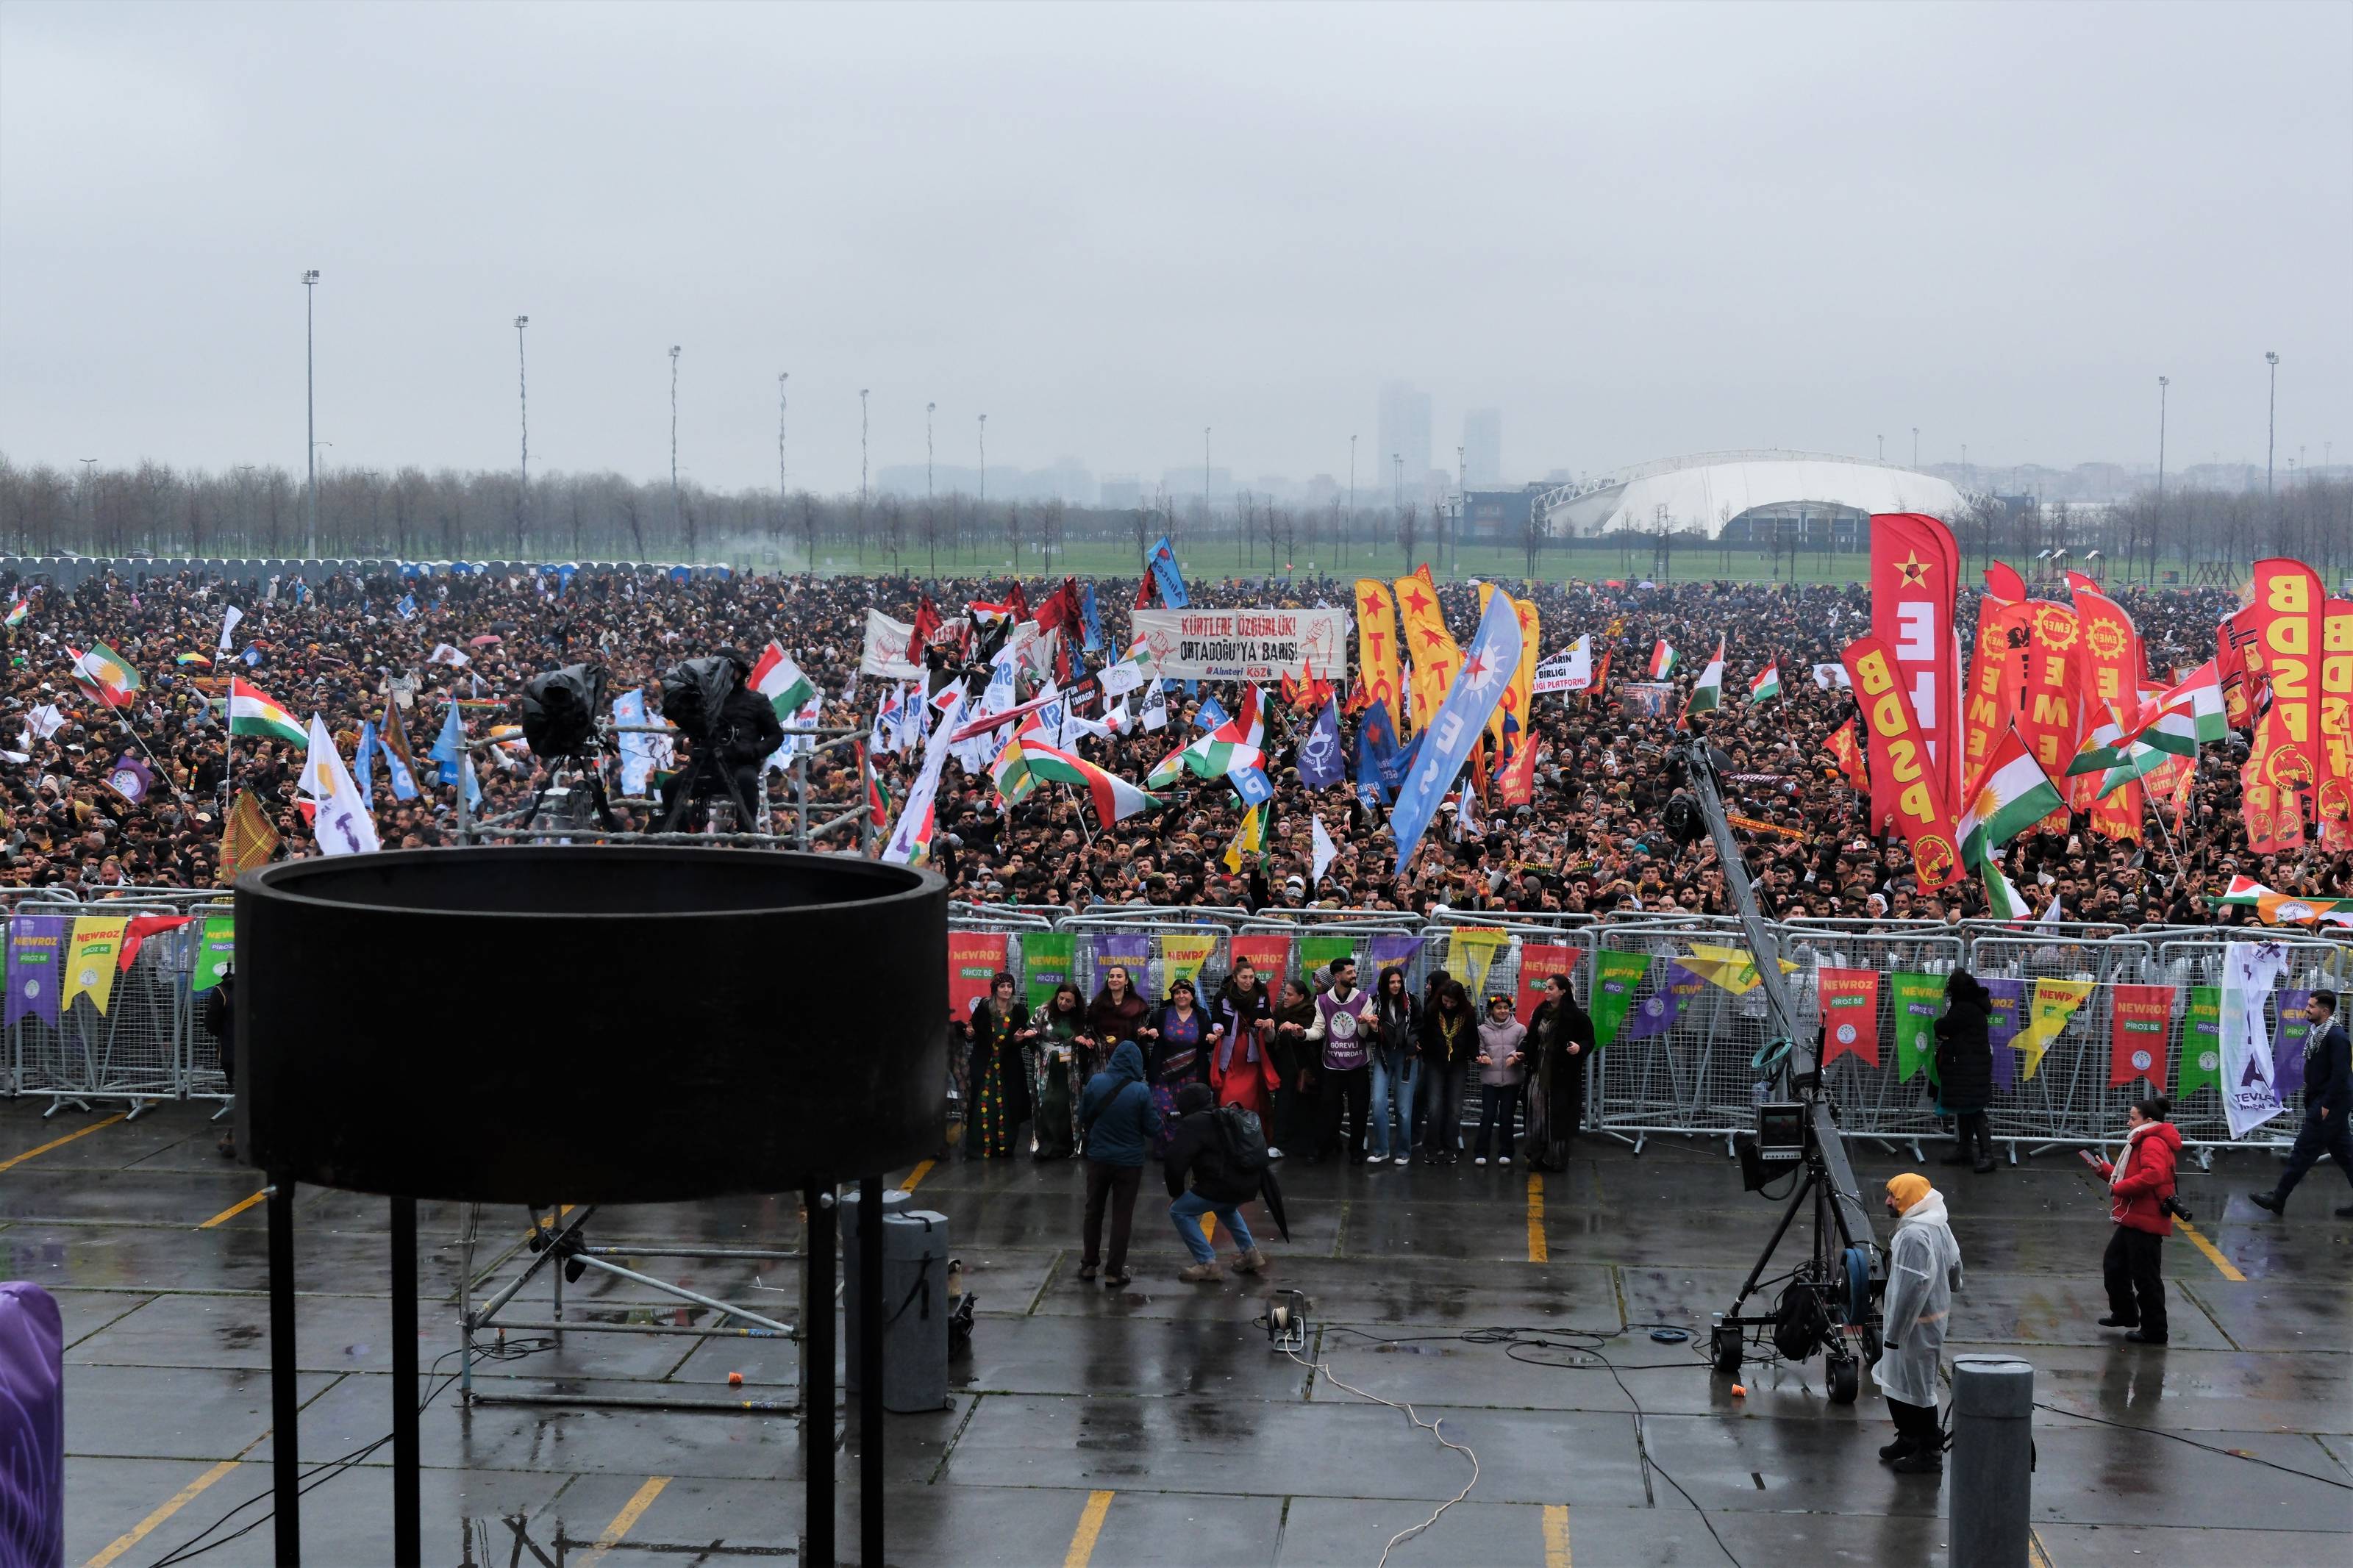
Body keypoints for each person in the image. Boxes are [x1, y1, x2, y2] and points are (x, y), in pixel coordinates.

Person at [1875, 1173, 1963, 1476]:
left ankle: (1929, 1453)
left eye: (1893, 1196)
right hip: (1929, 1319)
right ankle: (1909, 1438)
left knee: (1920, 1387)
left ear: (1909, 1200)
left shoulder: (1913, 1235)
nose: (1887, 1201)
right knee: (1898, 1381)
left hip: (1915, 1325)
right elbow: (1955, 1265)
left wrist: (1894, 1333)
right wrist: (1954, 1283)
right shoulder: (1937, 1222)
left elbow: (1910, 1287)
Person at [2085, 1095, 2181, 1345]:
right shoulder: (2144, 1141)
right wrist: (2105, 1171)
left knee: (2146, 1278)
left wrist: (2119, 1188)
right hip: (2135, 1218)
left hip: (2145, 1220)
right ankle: (2126, 1313)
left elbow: (2153, 1176)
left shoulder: (2152, 1143)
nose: (2128, 1123)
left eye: (2132, 1118)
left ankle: (2155, 1330)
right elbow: (2130, 1176)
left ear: (2148, 1121)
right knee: (2115, 1265)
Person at [2250, 987, 2353, 1218]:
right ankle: (2278, 1198)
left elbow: (2341, 1074)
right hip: (2324, 1101)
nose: (2306, 1009)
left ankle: (2278, 1197)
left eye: (2312, 1006)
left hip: (2330, 1104)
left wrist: (2325, 1104)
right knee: (2346, 1155)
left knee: (2303, 1151)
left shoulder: (2336, 1037)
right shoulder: (2320, 1032)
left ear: (2324, 1011)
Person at [1163, 1082, 1268, 1282]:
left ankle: (1207, 1264)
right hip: (1248, 1182)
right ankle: (1251, 1254)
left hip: (1221, 1185)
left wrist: (1176, 1193)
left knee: (1179, 1210)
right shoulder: (1224, 1115)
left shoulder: (1193, 1123)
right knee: (1226, 1208)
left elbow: (1175, 1162)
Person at [1076, 1040, 1160, 1288]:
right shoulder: (1141, 1091)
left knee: (1093, 1211)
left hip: (1099, 1158)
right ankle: (1114, 1271)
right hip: (1129, 1162)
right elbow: (1152, 1128)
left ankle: (1089, 1264)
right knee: (1122, 1216)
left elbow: (1083, 1115)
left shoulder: (1096, 1082)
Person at [1306, 955, 1377, 1163]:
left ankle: (1356, 1150)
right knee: (1328, 1109)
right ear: (1337, 977)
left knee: (1359, 1110)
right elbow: (1318, 1030)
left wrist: (1365, 1024)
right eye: (1349, 972)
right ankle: (1325, 1147)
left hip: (1358, 1064)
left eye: (1354, 972)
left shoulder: (1364, 999)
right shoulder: (1323, 1000)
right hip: (1332, 1064)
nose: (1354, 975)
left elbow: (1364, 1035)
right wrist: (1302, 1034)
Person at [1522, 973, 1593, 1170]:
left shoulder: (1576, 1016)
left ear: (1563, 991)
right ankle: (1536, 1155)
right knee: (1537, 1114)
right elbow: (1531, 1038)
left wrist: (1579, 1048)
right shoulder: (1540, 1012)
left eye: (1551, 988)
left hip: (1562, 1076)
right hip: (1538, 1072)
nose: (1546, 992)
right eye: (1546, 987)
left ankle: (1556, 1158)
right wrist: (1521, 1053)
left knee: (1558, 1116)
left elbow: (1589, 1040)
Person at [961, 972, 1034, 1159]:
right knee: (984, 1105)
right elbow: (974, 1033)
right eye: (1002, 987)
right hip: (985, 1065)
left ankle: (1004, 1148)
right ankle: (981, 1147)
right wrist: (969, 1033)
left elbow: (1023, 1037)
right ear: (995, 989)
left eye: (1009, 986)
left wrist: (1019, 1039)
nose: (1006, 990)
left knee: (1008, 1106)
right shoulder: (985, 1007)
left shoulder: (1019, 1010)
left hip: (1009, 1067)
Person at [1141, 977, 1213, 1157]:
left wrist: (1211, 1040)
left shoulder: (1202, 1015)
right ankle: (1166, 1149)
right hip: (1163, 1073)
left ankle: (1186, 1150)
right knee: (1162, 1110)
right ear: (1173, 996)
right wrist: (1150, 1034)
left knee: (1188, 1112)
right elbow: (1150, 1036)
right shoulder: (1161, 1014)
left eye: (1185, 992)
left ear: (1192, 996)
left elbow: (1207, 1044)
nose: (1181, 995)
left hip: (1192, 1073)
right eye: (1177, 992)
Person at [1935, 971, 1996, 1175]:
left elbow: (1944, 1025)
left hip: (1967, 1066)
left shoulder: (1963, 1008)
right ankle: (1966, 1150)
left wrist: (1938, 1026)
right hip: (1973, 1065)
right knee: (1968, 1108)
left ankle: (1985, 1155)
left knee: (1975, 1110)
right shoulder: (1975, 1005)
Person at [1210, 960, 1280, 1125]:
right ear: (1235, 978)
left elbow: (1268, 1017)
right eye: (1244, 977)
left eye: (1251, 977)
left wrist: (1267, 1023)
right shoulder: (1222, 996)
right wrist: (1217, 1029)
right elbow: (1216, 1019)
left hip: (1253, 1055)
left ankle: (1250, 1133)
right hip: (1230, 1054)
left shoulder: (1262, 995)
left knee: (1251, 1101)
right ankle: (1227, 1132)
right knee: (1227, 1097)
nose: (1248, 981)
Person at [1417, 981, 1477, 1164]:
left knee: (1455, 1108)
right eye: (1446, 1001)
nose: (1449, 1005)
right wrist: (1420, 1046)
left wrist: (1476, 1056)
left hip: (1458, 1063)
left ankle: (1450, 1146)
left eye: (1452, 1002)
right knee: (1434, 1107)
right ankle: (1432, 1147)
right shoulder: (1432, 1011)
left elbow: (1473, 1039)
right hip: (1435, 1062)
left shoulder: (1468, 1014)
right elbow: (1423, 1033)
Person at [1366, 964, 1421, 1165]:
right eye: (1392, 982)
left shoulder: (1412, 1002)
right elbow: (1370, 1036)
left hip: (1407, 1058)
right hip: (1384, 1056)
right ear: (1384, 983)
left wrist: (1413, 1044)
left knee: (1403, 1108)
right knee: (1378, 1103)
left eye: (1399, 981)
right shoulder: (1374, 1003)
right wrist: (1372, 1028)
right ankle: (1381, 1149)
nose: (1396, 985)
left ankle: (1403, 1151)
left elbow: (1418, 1025)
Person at [1031, 981, 1088, 1161]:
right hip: (1047, 1065)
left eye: (1068, 1001)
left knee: (1067, 1105)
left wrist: (1084, 1039)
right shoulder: (1043, 1011)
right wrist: (1028, 1035)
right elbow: (1031, 1029)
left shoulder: (1081, 1017)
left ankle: (1067, 1146)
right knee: (1046, 1103)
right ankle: (1046, 1146)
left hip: (1069, 1067)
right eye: (1061, 998)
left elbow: (1088, 1035)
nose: (1063, 1003)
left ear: (1075, 1003)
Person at [1471, 993, 1528, 1165]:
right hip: (1490, 1079)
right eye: (1499, 1008)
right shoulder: (1482, 1030)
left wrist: (1516, 1056)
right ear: (1492, 1010)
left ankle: (1507, 1151)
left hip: (1512, 1080)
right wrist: (1482, 1056)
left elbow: (1524, 1048)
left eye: (1506, 1008)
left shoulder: (1520, 1029)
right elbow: (1478, 1048)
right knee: (1488, 1115)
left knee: (1507, 1116)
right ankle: (1481, 1151)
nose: (1503, 1011)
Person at [1267, 978, 1317, 1159]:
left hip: (1302, 1070)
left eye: (1289, 994)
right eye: (1284, 993)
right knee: (1282, 1105)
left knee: (1303, 1109)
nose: (1285, 997)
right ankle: (1280, 1143)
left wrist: (1296, 1029)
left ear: (1301, 997)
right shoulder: (1279, 1012)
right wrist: (1270, 1029)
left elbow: (1311, 1037)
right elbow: (1272, 1041)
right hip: (1284, 1068)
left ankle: (1302, 1147)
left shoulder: (1309, 1013)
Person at [1085, 963, 1149, 1083]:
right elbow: (1089, 1028)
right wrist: (1090, 1038)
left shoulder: (1138, 1005)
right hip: (1101, 1060)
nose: (1114, 979)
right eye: (1111, 976)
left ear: (1126, 981)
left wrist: (1143, 1031)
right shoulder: (1097, 1004)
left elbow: (1145, 1028)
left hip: (1127, 1060)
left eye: (1119, 976)